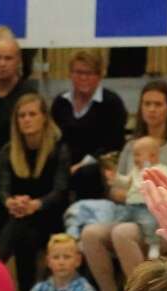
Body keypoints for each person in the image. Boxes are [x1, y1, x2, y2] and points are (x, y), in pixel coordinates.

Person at [79, 82, 167, 291]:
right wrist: (129, 191)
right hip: (132, 211)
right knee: (90, 233)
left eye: (158, 104)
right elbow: (117, 190)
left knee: (122, 233)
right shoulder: (131, 146)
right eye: (147, 104)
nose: (152, 109)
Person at [0, 93, 71, 291]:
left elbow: (60, 190)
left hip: (51, 216)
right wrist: (10, 202)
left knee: (21, 228)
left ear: (44, 117)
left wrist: (36, 204)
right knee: (23, 230)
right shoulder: (8, 151)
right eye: (22, 115)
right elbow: (2, 188)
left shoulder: (59, 149)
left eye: (32, 114)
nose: (26, 119)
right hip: (20, 215)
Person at [50, 51, 129, 201]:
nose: (83, 78)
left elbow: (114, 144)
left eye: (89, 73)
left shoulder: (111, 103)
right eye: (78, 72)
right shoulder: (60, 102)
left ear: (99, 76)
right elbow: (53, 139)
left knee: (86, 174)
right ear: (70, 74)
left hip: (98, 165)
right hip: (64, 162)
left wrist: (81, 164)